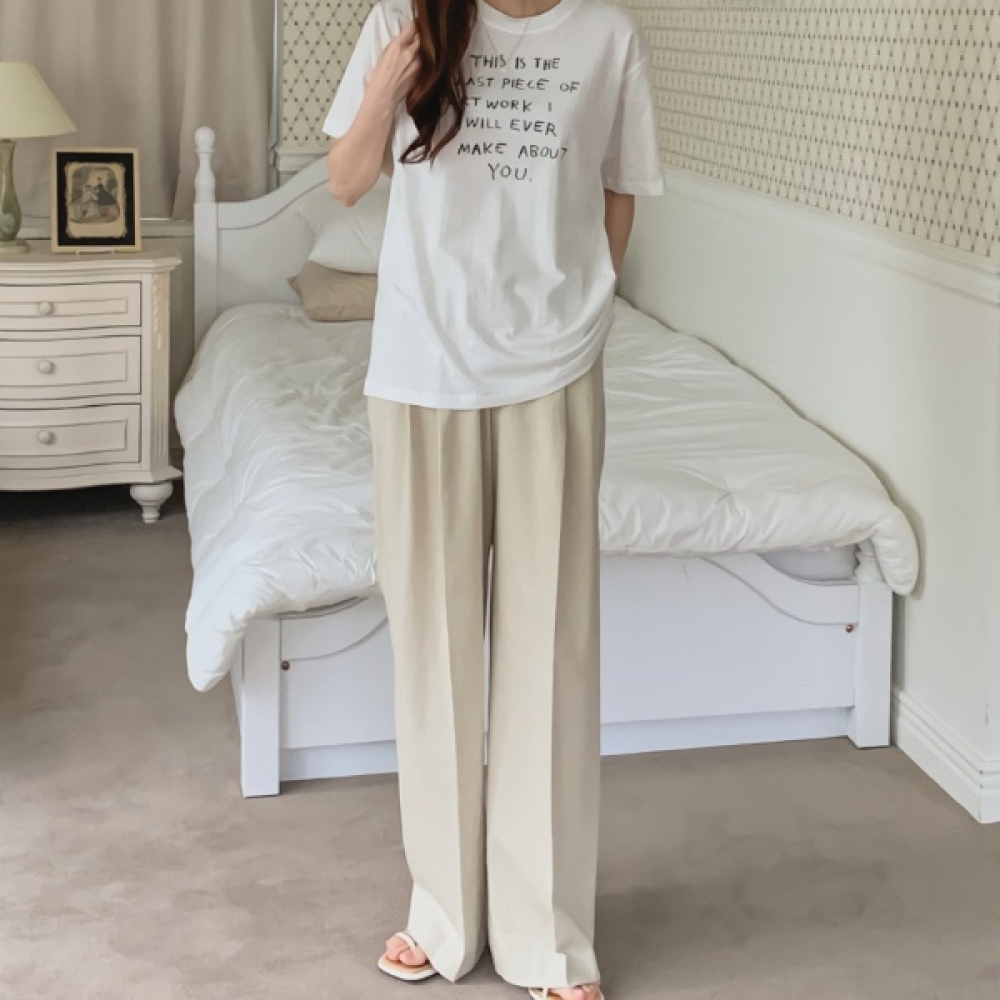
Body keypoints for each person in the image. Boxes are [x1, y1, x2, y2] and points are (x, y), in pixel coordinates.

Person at [324, 0, 663, 996]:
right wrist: (389, 87)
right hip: (423, 368)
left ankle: (546, 935)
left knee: (549, 651)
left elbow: (620, 188)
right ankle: (443, 912)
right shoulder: (404, 18)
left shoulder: (607, 36)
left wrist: (591, 305)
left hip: (553, 372)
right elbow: (346, 180)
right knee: (433, 651)